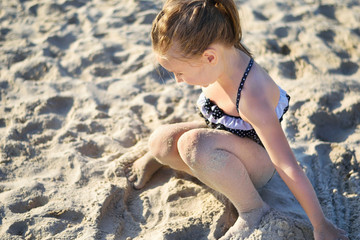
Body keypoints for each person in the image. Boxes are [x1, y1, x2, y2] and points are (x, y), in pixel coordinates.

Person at [125, 0, 349, 239]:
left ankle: (252, 208)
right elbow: (194, 11)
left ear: (209, 57)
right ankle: (217, 174)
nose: (178, 80)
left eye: (179, 72)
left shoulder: (253, 98)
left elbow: (286, 164)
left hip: (256, 161)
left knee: (194, 145)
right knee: (160, 142)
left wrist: (321, 224)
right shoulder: (220, 51)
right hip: (223, 140)